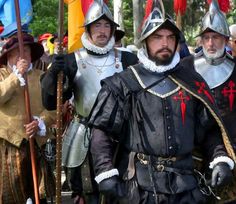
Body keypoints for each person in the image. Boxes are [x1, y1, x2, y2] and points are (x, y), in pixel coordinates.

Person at [87, 3, 236, 204]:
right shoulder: (124, 83)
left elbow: (209, 130)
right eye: (157, 37)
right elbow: (101, 131)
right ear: (146, 41)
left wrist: (220, 159)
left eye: (170, 37)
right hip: (139, 188)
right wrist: (105, 170)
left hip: (186, 186)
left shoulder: (192, 81)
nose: (164, 43)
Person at [40, 0, 138, 203]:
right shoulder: (71, 60)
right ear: (88, 28)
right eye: (97, 25)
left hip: (120, 136)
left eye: (107, 25)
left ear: (112, 29)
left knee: (123, 191)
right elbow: (51, 103)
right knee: (87, 193)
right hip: (84, 134)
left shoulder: (128, 60)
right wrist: (52, 76)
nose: (102, 31)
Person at [0, 33, 56, 203]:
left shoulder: (42, 76)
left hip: (37, 143)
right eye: (17, 51)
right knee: (11, 196)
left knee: (41, 195)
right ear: (8, 55)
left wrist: (41, 122)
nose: (22, 56)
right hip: (9, 144)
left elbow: (53, 108)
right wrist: (15, 77)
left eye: (26, 51)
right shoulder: (2, 75)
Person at [194, 0, 236, 202]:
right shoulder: (186, 69)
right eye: (206, 37)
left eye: (216, 37)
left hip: (231, 152)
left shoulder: (235, 70)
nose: (211, 43)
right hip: (193, 154)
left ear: (226, 40)